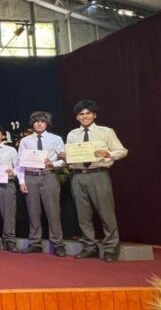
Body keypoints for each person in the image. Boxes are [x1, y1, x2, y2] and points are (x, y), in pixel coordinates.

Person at [60, 100, 128, 262]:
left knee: (106, 213)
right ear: (77, 117)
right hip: (77, 175)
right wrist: (64, 157)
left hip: (98, 174)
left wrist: (109, 154)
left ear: (94, 115)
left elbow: (122, 150)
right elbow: (70, 157)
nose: (85, 116)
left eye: (88, 113)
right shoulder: (72, 134)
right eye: (81, 114)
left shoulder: (106, 132)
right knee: (83, 215)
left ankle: (110, 248)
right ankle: (89, 247)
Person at [17, 111, 67, 257]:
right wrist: (21, 181)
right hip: (30, 177)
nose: (39, 124)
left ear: (47, 123)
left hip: (48, 176)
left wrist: (54, 164)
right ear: (32, 124)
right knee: (33, 212)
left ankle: (58, 244)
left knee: (53, 212)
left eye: (42, 121)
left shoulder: (55, 139)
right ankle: (35, 243)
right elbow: (20, 163)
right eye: (36, 121)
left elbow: (64, 160)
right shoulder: (25, 141)